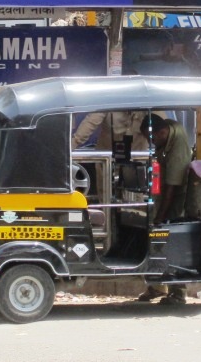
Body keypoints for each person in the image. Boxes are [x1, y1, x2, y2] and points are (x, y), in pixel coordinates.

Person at [136, 113, 193, 306]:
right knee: (156, 243)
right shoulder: (167, 128)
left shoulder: (177, 146)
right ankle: (157, 286)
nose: (151, 142)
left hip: (176, 201)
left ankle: (178, 292)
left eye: (151, 138)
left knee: (172, 243)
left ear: (161, 133)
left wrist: (160, 217)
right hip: (164, 197)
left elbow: (172, 187)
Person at [72, 110, 150, 153]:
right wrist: (73, 144)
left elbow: (157, 124)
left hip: (138, 158)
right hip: (107, 159)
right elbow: (90, 123)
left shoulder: (146, 98)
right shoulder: (108, 97)